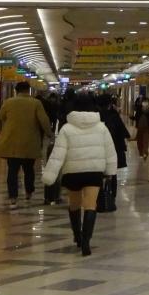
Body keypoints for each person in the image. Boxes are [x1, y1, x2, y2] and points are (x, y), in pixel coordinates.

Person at [43, 93, 118, 256]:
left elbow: (57, 154)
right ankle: (86, 241)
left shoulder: (66, 128)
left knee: (74, 204)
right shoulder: (101, 127)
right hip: (94, 171)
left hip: (73, 172)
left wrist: (50, 175)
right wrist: (110, 171)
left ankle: (77, 235)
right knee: (91, 205)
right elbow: (110, 151)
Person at [0, 81, 51, 208]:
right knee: (29, 169)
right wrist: (49, 133)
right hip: (30, 142)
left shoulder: (9, 102)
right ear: (28, 90)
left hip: (12, 142)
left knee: (12, 171)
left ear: (16, 90)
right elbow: (44, 120)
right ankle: (29, 192)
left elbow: (1, 116)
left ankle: (13, 197)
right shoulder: (36, 103)